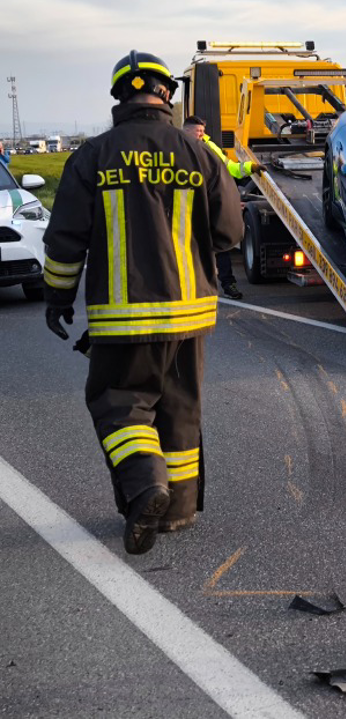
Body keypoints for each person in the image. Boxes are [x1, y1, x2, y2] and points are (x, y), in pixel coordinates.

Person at [42, 50, 243, 555]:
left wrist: (57, 296)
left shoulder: (92, 156)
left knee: (119, 404)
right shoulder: (198, 152)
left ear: (119, 98)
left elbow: (65, 239)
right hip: (191, 314)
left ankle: (145, 485)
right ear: (167, 94)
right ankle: (174, 513)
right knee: (179, 408)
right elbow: (229, 231)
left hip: (121, 317)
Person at [182, 115, 261, 299]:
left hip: (210, 203)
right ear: (186, 131)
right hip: (187, 206)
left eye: (202, 131)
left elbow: (230, 169)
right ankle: (192, 288)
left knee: (221, 246)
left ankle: (229, 284)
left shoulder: (210, 147)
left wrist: (251, 168)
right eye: (198, 131)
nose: (201, 135)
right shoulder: (176, 149)